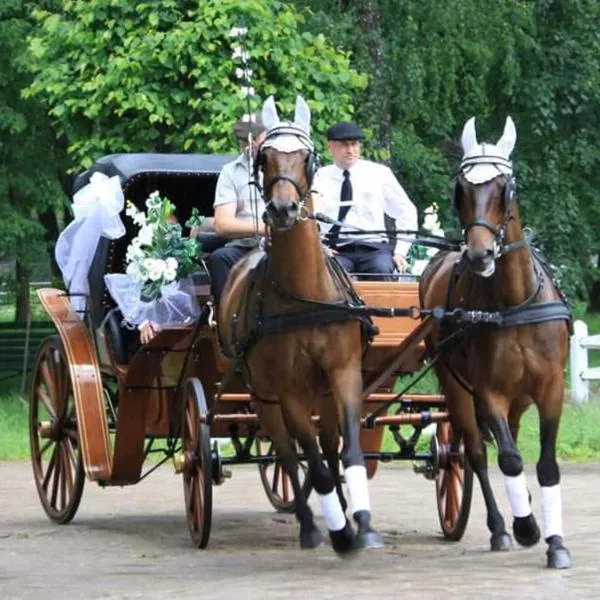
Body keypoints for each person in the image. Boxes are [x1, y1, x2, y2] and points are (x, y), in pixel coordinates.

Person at [312, 121, 418, 280]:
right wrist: (320, 246)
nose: (350, 150)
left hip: (375, 250)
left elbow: (407, 212)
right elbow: (308, 218)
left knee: (381, 270)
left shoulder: (379, 174)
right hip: (337, 250)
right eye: (344, 145)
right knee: (330, 277)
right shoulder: (318, 177)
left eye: (354, 144)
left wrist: (400, 252)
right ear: (330, 147)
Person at [205, 114, 267, 305]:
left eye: (256, 138)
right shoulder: (230, 172)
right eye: (244, 140)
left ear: (266, 135)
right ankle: (228, 325)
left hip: (283, 244)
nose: (250, 144)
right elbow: (223, 225)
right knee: (219, 259)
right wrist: (265, 228)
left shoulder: (284, 164)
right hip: (244, 245)